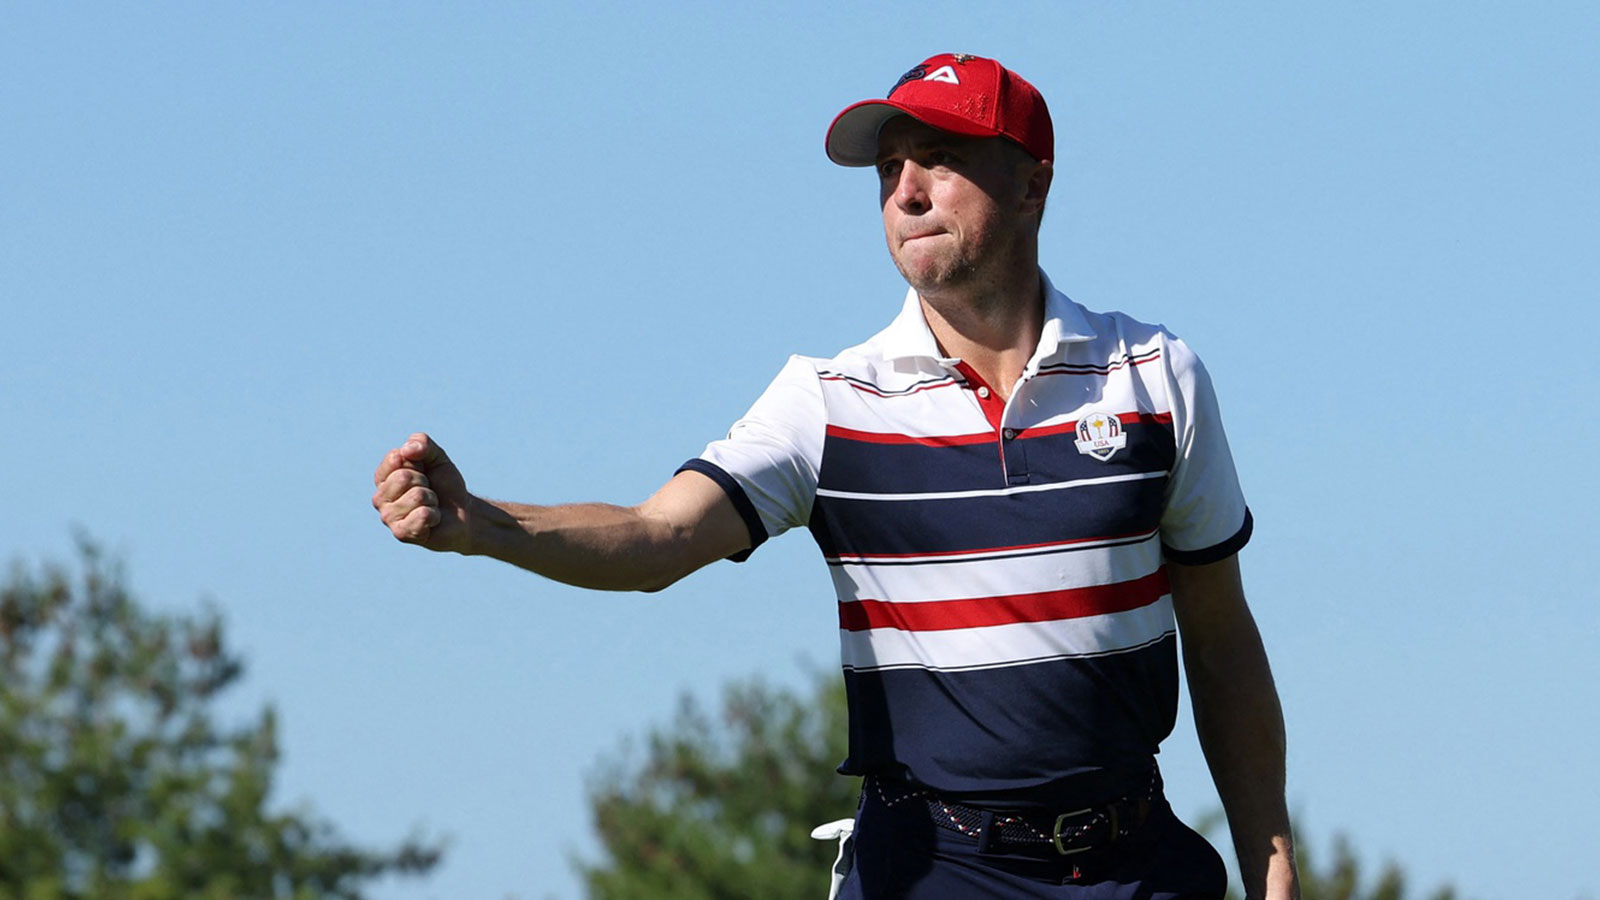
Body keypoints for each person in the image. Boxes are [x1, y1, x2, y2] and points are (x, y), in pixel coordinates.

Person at [372, 52, 1298, 900]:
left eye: (938, 157)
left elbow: (1222, 643)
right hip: (932, 871)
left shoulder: (1155, 376)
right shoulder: (827, 402)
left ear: (1033, 182)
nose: (907, 192)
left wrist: (1273, 868)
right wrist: (482, 522)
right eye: (890, 169)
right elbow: (658, 538)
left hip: (1139, 869)